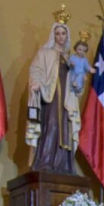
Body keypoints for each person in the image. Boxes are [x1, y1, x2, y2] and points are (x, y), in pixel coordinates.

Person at [26, 19, 81, 175]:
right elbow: (35, 69)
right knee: (52, 125)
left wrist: (78, 82)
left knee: (65, 128)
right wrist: (36, 82)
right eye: (57, 33)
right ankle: (45, 160)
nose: (60, 37)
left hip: (66, 99)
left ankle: (64, 165)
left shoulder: (71, 58)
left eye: (63, 33)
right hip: (49, 97)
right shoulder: (44, 53)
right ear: (53, 35)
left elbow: (77, 77)